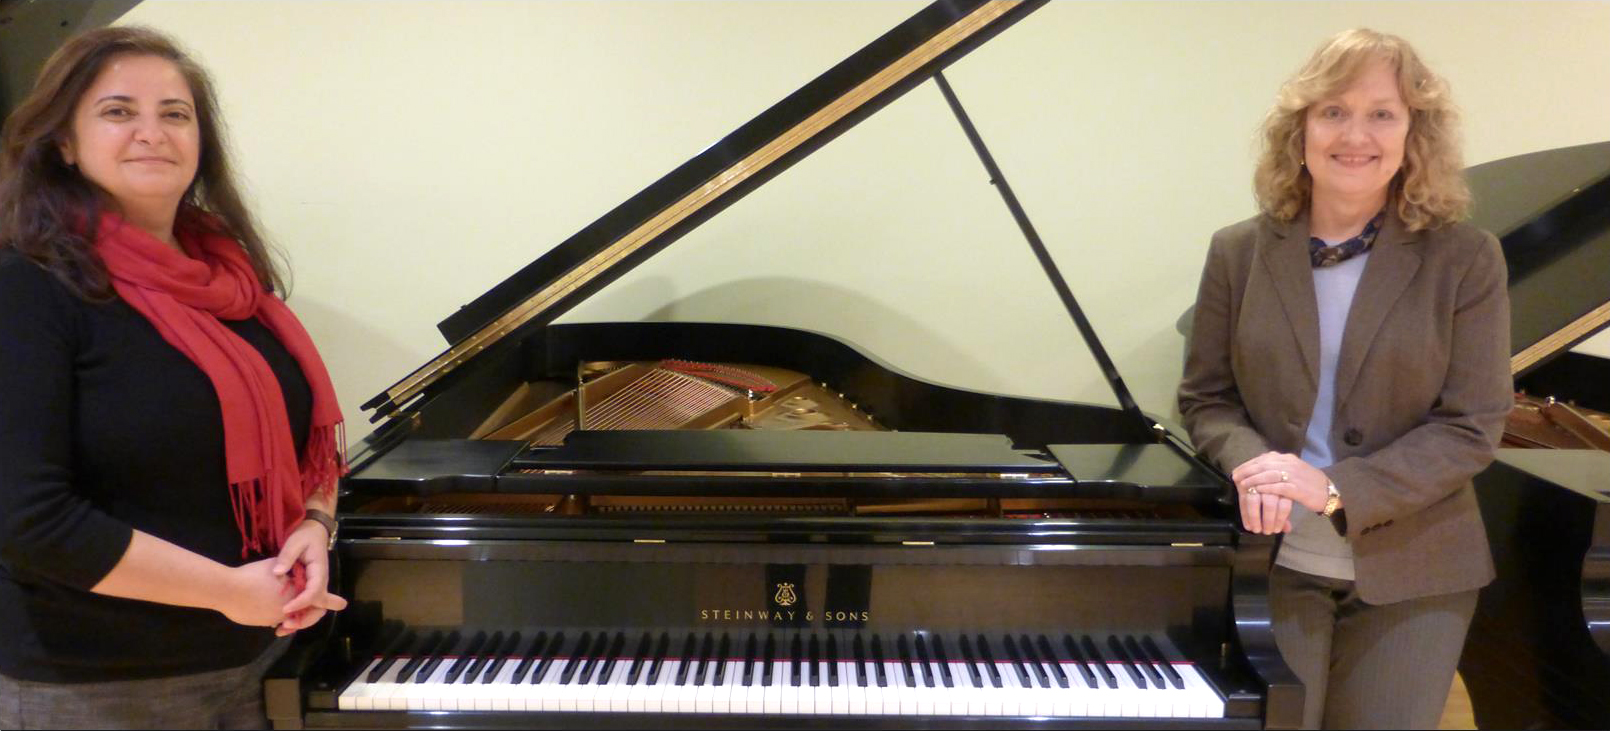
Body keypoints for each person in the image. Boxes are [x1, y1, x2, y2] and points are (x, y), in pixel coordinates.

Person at [0, 26, 348, 729]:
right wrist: (226, 590)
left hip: (259, 661)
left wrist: (316, 521)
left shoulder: (232, 282)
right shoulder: (28, 290)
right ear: (64, 142)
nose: (151, 132)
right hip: (99, 687)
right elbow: (28, 519)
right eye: (118, 111)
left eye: (175, 114)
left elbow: (301, 434)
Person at [1178, 28, 1511, 730]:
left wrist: (1334, 487)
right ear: (1299, 129)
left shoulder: (1466, 258)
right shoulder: (1238, 251)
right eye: (1332, 110)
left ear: (1413, 135)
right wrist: (1256, 465)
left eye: (1382, 113)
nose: (1354, 133)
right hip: (1274, 559)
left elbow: (1471, 423)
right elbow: (1207, 398)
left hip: (1418, 570)